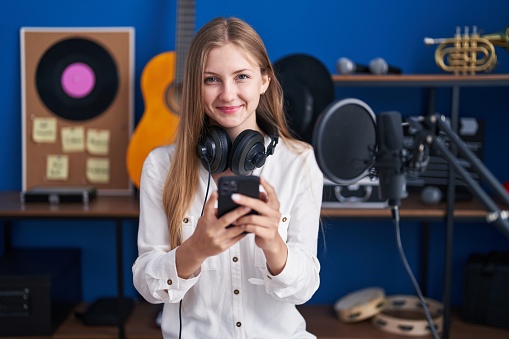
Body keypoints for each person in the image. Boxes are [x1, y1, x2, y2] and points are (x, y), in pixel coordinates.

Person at [132, 16, 323, 338]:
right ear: (194, 85)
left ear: (264, 80)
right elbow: (147, 287)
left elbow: (303, 291)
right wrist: (196, 249)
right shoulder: (160, 166)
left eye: (242, 76)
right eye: (211, 80)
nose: (228, 94)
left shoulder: (299, 162)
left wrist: (274, 245)